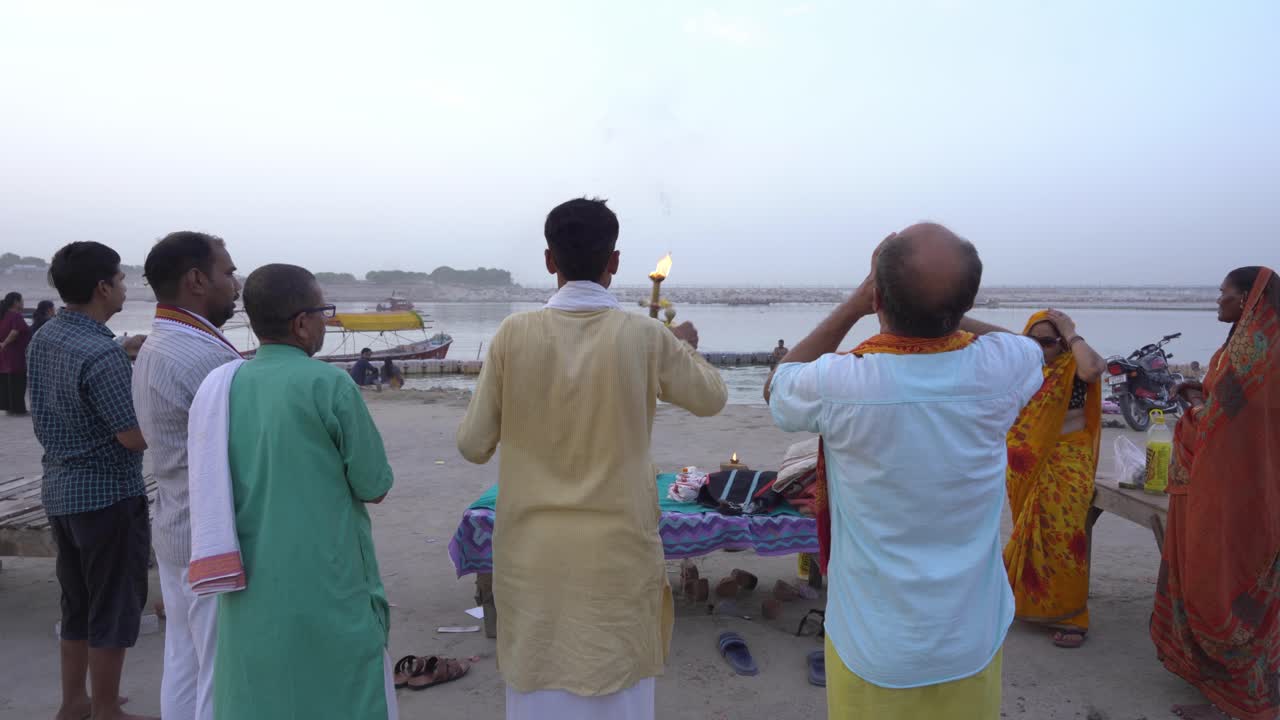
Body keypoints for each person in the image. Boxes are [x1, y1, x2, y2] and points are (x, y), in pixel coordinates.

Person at [457, 198, 727, 720]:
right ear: (616, 260)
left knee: (539, 691)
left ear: (549, 260)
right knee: (616, 691)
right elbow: (711, 397)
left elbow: (472, 445)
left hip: (534, 558)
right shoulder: (645, 336)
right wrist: (682, 347)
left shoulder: (514, 335)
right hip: (616, 557)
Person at [765, 224, 1044, 720]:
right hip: (970, 637)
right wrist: (946, 311)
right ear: (963, 307)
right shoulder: (999, 370)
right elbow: (1029, 350)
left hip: (874, 642)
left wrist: (855, 305)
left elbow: (779, 385)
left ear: (878, 298)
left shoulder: (843, 382)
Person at [193, 264, 402, 720]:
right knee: (346, 688)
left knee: (261, 689)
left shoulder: (223, 387)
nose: (327, 320)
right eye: (323, 310)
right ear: (302, 322)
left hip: (250, 574)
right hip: (329, 575)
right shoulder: (330, 384)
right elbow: (374, 484)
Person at [27, 242, 154, 720]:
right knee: (114, 606)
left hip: (61, 492)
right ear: (103, 287)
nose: (125, 286)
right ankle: (105, 709)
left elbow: (69, 381)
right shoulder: (101, 357)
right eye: (121, 279)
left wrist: (123, 350)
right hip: (108, 498)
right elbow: (134, 438)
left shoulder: (47, 335)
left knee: (76, 604)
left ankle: (75, 702)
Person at [1152, 266, 1280, 720]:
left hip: (1232, 492)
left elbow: (1226, 426)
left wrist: (1196, 410)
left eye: (1224, 293)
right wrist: (1200, 398)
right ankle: (1229, 691)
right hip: (1230, 486)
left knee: (1223, 585)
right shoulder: (1245, 348)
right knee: (1230, 583)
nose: (1217, 301)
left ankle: (1241, 702)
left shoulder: (1254, 354)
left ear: (1247, 298)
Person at [131, 231, 242, 720]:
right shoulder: (205, 358)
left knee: (185, 661)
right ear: (197, 280)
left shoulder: (160, 343)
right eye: (228, 272)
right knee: (220, 670)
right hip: (210, 539)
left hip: (177, 526)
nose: (236, 285)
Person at [1001, 309, 1106, 649]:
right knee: (1026, 536)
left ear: (1061, 344)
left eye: (1048, 342)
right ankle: (1023, 601)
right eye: (1032, 340)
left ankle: (1071, 614)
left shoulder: (1073, 367)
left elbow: (1094, 368)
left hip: (1067, 463)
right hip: (1028, 466)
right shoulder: (1019, 372)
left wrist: (1071, 330)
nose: (1040, 348)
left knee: (1064, 538)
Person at [0, 291, 31, 415]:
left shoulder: (3, 315)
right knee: (18, 381)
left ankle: (9, 407)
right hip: (16, 354)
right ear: (16, 302)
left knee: (7, 380)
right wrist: (5, 343)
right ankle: (18, 409)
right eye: (21, 299)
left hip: (4, 354)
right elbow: (15, 332)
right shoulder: (16, 316)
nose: (23, 302)